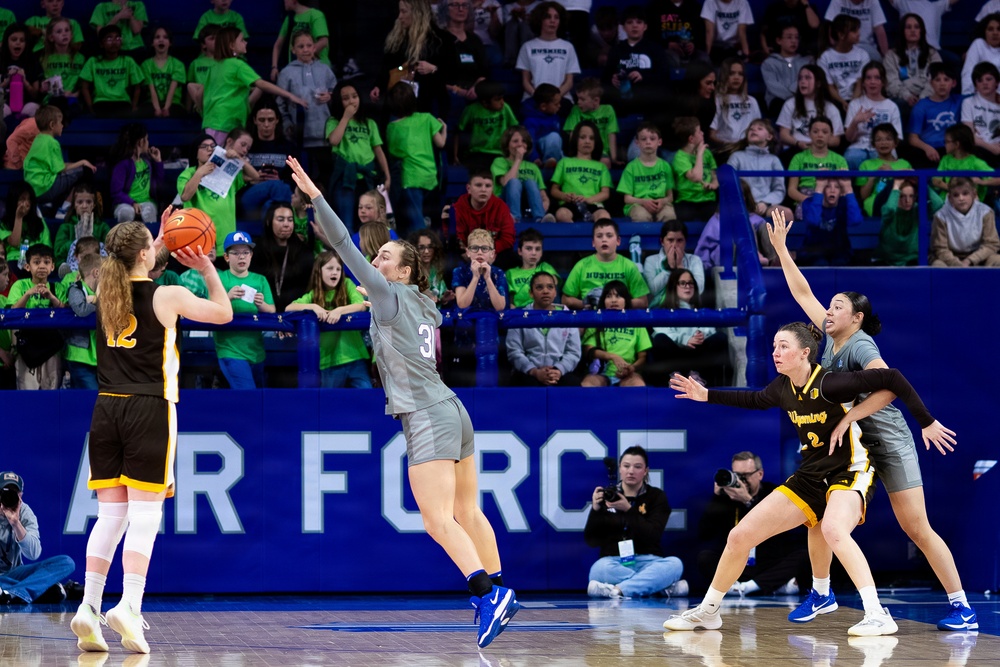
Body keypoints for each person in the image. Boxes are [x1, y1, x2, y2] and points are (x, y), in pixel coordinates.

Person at [288, 156, 518, 648]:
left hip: (426, 415)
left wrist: (316, 196)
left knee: (437, 520)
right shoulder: (422, 302)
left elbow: (345, 247)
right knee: (469, 511)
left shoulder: (390, 294)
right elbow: (369, 291)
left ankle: (485, 594)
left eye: (385, 257)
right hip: (454, 409)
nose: (376, 263)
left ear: (405, 270)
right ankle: (499, 588)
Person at [663, 321, 956, 636]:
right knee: (739, 536)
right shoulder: (781, 387)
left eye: (784, 346)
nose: (776, 352)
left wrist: (925, 421)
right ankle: (709, 611)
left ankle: (877, 613)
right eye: (774, 346)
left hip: (850, 469)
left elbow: (893, 378)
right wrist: (706, 395)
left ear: (805, 353)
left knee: (832, 529)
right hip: (810, 475)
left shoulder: (830, 383)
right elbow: (753, 400)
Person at [767, 209, 979, 631]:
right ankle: (822, 592)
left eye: (838, 306)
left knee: (917, 527)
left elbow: (890, 387)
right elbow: (802, 292)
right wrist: (780, 250)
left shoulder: (861, 346)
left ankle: (963, 607)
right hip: (853, 450)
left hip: (887, 439)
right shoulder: (827, 339)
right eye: (829, 306)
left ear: (857, 317)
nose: (827, 310)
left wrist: (851, 420)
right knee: (818, 515)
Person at [70, 214, 233, 655]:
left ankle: (88, 606)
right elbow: (224, 311)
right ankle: (129, 603)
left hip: (106, 408)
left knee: (110, 516)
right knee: (145, 514)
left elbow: (131, 259)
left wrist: (154, 240)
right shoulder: (169, 295)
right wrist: (206, 268)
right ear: (146, 253)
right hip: (150, 407)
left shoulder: (105, 291)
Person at [697, 452, 808, 597]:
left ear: (760, 474)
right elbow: (704, 533)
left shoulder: (774, 493)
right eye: (737, 475)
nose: (741, 481)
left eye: (746, 475)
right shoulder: (726, 498)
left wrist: (748, 501)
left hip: (768, 562)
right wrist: (717, 498)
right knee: (705, 557)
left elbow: (781, 530)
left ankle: (745, 588)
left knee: (804, 555)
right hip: (737, 564)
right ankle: (767, 587)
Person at [585, 446, 685, 598]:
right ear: (620, 468)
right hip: (614, 561)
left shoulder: (657, 497)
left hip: (649, 561)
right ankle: (658, 587)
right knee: (598, 569)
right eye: (626, 466)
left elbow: (653, 535)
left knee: (675, 564)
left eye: (637, 467)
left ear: (645, 471)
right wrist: (596, 509)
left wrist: (628, 510)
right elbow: (591, 541)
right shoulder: (608, 496)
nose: (631, 471)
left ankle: (617, 590)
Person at [286, 250, 371, 388]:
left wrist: (339, 311)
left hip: (355, 357)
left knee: (367, 396)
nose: (335, 272)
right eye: (330, 268)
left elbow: (361, 305)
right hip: (328, 362)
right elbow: (289, 308)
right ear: (319, 271)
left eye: (338, 269)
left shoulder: (347, 284)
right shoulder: (313, 295)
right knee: (329, 404)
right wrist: (314, 307)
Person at [0, 471, 76, 605]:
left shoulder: (24, 512)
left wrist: (16, 523)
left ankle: (12, 593)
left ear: (21, 496)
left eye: (15, 493)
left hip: (15, 573)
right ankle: (36, 588)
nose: (9, 497)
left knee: (66, 562)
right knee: (52, 590)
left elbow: (33, 554)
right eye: (5, 492)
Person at [326, 81, 391, 231]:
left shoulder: (369, 123)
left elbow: (378, 150)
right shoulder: (333, 121)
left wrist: (387, 176)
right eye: (345, 98)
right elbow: (334, 140)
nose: (351, 101)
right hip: (344, 179)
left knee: (368, 224)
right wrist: (345, 118)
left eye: (354, 96)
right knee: (346, 224)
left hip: (366, 179)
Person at [385, 82, 448, 236]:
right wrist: (444, 129)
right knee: (426, 220)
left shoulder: (392, 127)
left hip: (410, 178)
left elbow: (393, 152)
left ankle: (422, 253)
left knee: (416, 225)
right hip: (430, 177)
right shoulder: (427, 118)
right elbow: (441, 143)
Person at [647, 270, 729, 387]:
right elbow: (661, 331)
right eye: (683, 283)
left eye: (691, 283)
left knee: (720, 338)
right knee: (660, 339)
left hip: (697, 354)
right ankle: (677, 377)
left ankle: (697, 378)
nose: (688, 287)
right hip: (676, 355)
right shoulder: (662, 311)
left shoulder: (701, 310)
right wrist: (685, 339)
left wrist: (700, 335)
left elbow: (711, 329)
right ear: (673, 286)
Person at [215, 231, 275, 389]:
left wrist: (261, 304)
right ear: (226, 257)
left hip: (256, 350)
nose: (241, 257)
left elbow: (272, 311)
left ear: (251, 255)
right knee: (249, 395)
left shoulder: (260, 279)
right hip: (230, 349)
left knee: (256, 399)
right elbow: (209, 308)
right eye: (235, 253)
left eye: (245, 252)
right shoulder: (219, 279)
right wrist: (227, 297)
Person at [505, 271, 581, 386]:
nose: (545, 291)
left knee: (574, 385)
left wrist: (558, 370)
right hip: (529, 373)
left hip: (559, 373)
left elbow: (573, 352)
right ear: (531, 293)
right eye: (539, 287)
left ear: (555, 292)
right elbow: (514, 351)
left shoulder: (567, 315)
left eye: (550, 287)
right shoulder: (520, 316)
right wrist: (534, 371)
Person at [276, 29, 337, 172]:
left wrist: (330, 95)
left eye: (309, 45)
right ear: (293, 49)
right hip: (299, 135)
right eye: (301, 46)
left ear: (315, 47)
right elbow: (280, 101)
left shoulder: (325, 69)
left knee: (324, 174)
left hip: (324, 134)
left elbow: (338, 92)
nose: (305, 50)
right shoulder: (287, 72)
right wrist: (286, 122)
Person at [7, 243, 65, 390]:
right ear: (27, 267)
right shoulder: (20, 286)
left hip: (52, 349)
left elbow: (65, 312)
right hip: (27, 348)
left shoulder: (58, 288)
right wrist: (28, 294)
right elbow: (12, 312)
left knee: (52, 391)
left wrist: (51, 297)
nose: (41, 266)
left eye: (46, 262)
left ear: (52, 267)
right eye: (36, 262)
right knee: (26, 391)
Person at [563, 220, 650, 310]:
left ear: (618, 241)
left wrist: (621, 303)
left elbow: (643, 302)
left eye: (609, 236)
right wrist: (586, 304)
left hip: (622, 321)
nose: (604, 240)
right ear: (593, 242)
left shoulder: (629, 266)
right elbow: (565, 299)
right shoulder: (581, 266)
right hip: (591, 320)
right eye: (599, 236)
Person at [23, 104, 95, 211]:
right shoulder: (52, 142)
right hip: (45, 188)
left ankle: (48, 205)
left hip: (33, 190)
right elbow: (61, 169)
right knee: (86, 170)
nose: (62, 125)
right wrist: (83, 162)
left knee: (71, 173)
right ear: (52, 125)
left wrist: (75, 164)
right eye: (60, 123)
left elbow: (56, 167)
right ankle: (66, 206)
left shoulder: (37, 139)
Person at [580, 280, 650, 387]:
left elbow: (642, 357)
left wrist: (631, 368)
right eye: (609, 296)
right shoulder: (597, 321)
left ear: (626, 300)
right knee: (587, 384)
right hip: (601, 373)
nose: (613, 300)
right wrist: (612, 356)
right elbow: (588, 349)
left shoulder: (636, 322)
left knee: (638, 384)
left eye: (618, 296)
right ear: (603, 300)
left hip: (628, 373)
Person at [249, 201, 315, 312]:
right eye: (280, 219)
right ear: (269, 222)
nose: (286, 224)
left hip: (294, 314)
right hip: (264, 314)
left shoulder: (303, 251)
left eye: (290, 220)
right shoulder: (257, 250)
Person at [515, 2, 581, 102]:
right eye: (548, 17)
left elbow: (569, 82)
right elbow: (525, 81)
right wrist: (538, 96)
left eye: (556, 17)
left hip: (561, 99)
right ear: (539, 20)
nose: (552, 21)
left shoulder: (568, 47)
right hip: (533, 99)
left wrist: (555, 97)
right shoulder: (527, 47)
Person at [777, 65, 845, 159]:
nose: (802, 81)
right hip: (797, 148)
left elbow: (836, 140)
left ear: (818, 83)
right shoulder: (790, 104)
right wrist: (798, 143)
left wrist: (818, 144)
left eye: (807, 78)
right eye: (800, 78)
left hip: (822, 150)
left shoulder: (830, 108)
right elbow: (783, 134)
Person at [550, 121, 613, 222]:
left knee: (604, 215)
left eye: (591, 138)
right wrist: (564, 196)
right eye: (582, 137)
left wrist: (588, 199)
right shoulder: (564, 162)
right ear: (575, 139)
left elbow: (605, 193)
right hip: (569, 204)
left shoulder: (601, 166)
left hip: (593, 203)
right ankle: (572, 236)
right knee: (561, 214)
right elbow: (554, 190)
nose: (587, 141)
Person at [843, 62, 902, 170]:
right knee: (851, 157)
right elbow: (849, 138)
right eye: (868, 78)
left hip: (883, 147)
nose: (872, 82)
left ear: (883, 82)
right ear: (863, 82)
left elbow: (897, 137)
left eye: (877, 78)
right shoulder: (855, 104)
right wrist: (855, 122)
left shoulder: (891, 106)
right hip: (859, 147)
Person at [930, 177, 1000, 267]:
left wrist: (970, 260)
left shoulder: (985, 212)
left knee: (998, 260)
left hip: (979, 256)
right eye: (956, 195)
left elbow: (991, 244)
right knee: (938, 266)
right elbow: (940, 248)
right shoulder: (940, 216)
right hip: (950, 258)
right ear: (950, 198)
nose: (961, 198)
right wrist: (958, 264)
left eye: (965, 193)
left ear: (974, 194)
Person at [78, 25, 144, 116]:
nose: (114, 42)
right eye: (109, 38)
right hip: (100, 103)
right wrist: (90, 107)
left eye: (117, 38)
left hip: (123, 103)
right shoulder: (93, 61)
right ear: (101, 43)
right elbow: (84, 87)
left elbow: (137, 87)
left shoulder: (128, 61)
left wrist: (134, 106)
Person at [877, 177, 944, 266]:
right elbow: (889, 209)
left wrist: (922, 184)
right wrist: (896, 185)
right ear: (895, 195)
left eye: (911, 196)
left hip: (913, 261)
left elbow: (938, 204)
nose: (907, 201)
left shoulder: (918, 210)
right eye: (902, 196)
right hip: (889, 261)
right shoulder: (889, 210)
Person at [617, 121, 676, 223]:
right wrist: (643, 202)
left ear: (659, 142)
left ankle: (667, 239)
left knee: (669, 215)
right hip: (638, 204)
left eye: (652, 139)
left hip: (661, 204)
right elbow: (627, 199)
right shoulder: (631, 167)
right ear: (637, 142)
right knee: (641, 216)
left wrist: (663, 201)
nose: (648, 142)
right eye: (643, 139)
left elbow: (670, 196)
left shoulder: (665, 166)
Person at [905, 62, 961, 169]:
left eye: (946, 79)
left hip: (951, 149)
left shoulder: (960, 101)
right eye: (937, 80)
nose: (942, 84)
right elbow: (913, 138)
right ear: (931, 83)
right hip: (928, 149)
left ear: (953, 83)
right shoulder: (921, 106)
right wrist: (927, 148)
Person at [455, 80, 518, 172]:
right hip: (477, 153)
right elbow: (458, 132)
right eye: (497, 99)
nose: (502, 102)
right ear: (485, 102)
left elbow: (515, 130)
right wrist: (455, 156)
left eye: (502, 98)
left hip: (500, 153)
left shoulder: (505, 108)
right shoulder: (471, 110)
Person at [491, 125, 549, 222]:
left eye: (524, 141)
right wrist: (518, 160)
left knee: (530, 182)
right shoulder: (499, 161)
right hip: (504, 203)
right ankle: (514, 217)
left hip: (527, 203)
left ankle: (540, 218)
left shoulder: (533, 167)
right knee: (514, 182)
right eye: (515, 141)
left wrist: (545, 201)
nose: (520, 144)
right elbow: (506, 182)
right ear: (507, 145)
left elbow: (542, 193)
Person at [109, 123, 164, 225]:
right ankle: (124, 241)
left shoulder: (147, 161)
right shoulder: (123, 165)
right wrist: (132, 203)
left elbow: (158, 182)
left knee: (149, 211)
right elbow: (115, 192)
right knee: (126, 213)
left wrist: (158, 161)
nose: (148, 142)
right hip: (125, 203)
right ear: (140, 142)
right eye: (146, 139)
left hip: (147, 202)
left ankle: (149, 240)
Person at [452, 170, 515, 258]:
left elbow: (507, 239)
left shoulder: (501, 207)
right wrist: (472, 254)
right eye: (478, 185)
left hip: (494, 253)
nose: (483, 189)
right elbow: (458, 238)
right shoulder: (458, 208)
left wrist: (487, 253)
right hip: (468, 254)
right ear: (469, 189)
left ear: (492, 189)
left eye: (488, 186)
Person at [856, 123, 913, 217]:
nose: (883, 143)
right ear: (873, 144)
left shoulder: (905, 164)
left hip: (900, 202)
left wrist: (893, 174)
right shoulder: (866, 165)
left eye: (888, 139)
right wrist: (874, 176)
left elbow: (909, 192)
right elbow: (863, 196)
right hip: (875, 205)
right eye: (879, 140)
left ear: (895, 143)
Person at [65, 252, 103, 389]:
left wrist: (95, 300)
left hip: (100, 358)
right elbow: (81, 309)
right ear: (96, 272)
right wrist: (101, 305)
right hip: (79, 357)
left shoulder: (102, 293)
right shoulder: (76, 289)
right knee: (89, 399)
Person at [644, 220, 705, 304]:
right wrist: (669, 268)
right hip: (659, 309)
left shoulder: (695, 260)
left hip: (688, 309)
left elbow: (699, 290)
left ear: (685, 242)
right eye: (670, 240)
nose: (675, 245)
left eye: (679, 240)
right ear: (662, 241)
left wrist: (680, 267)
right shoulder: (651, 260)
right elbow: (652, 290)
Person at [817, 14, 870, 109]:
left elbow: (860, 83)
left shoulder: (863, 54)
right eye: (854, 31)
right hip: (833, 101)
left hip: (858, 99)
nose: (858, 33)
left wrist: (853, 104)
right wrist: (842, 102)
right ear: (841, 35)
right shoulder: (825, 57)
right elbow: (829, 86)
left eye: (858, 30)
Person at [672, 116, 719, 223]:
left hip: (708, 198)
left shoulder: (707, 153)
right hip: (687, 200)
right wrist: (699, 154)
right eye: (699, 132)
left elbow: (714, 175)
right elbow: (696, 177)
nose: (702, 133)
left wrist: (713, 185)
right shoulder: (680, 157)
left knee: (717, 218)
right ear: (691, 139)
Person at [563, 78, 619, 166]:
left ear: (596, 100)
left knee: (605, 162)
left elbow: (611, 134)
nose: (578, 102)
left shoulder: (608, 110)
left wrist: (614, 158)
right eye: (578, 99)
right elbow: (572, 135)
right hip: (581, 151)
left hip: (601, 151)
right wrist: (573, 155)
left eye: (582, 99)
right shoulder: (576, 110)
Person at [760, 24, 812, 118]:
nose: (794, 41)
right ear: (779, 40)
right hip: (778, 101)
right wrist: (793, 95)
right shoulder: (769, 63)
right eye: (789, 37)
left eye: (796, 37)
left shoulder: (807, 61)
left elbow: (806, 81)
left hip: (802, 98)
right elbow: (773, 86)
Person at [824, 0, 888, 62]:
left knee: (876, 57)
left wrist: (886, 56)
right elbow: (831, 24)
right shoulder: (838, 1)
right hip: (843, 45)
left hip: (866, 45)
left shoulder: (872, 1)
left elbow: (879, 30)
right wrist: (836, 48)